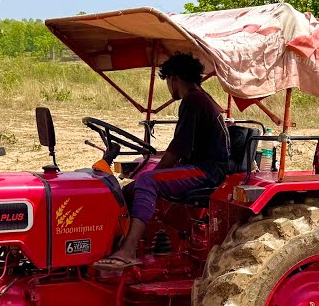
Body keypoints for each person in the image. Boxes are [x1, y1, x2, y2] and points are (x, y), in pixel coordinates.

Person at [96, 53, 230, 270]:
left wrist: (149, 177)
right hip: (200, 165)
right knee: (131, 188)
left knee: (148, 181)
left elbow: (177, 148)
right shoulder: (199, 98)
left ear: (174, 78)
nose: (169, 87)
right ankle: (119, 242)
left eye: (168, 81)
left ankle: (128, 250)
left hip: (207, 170)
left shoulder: (194, 100)